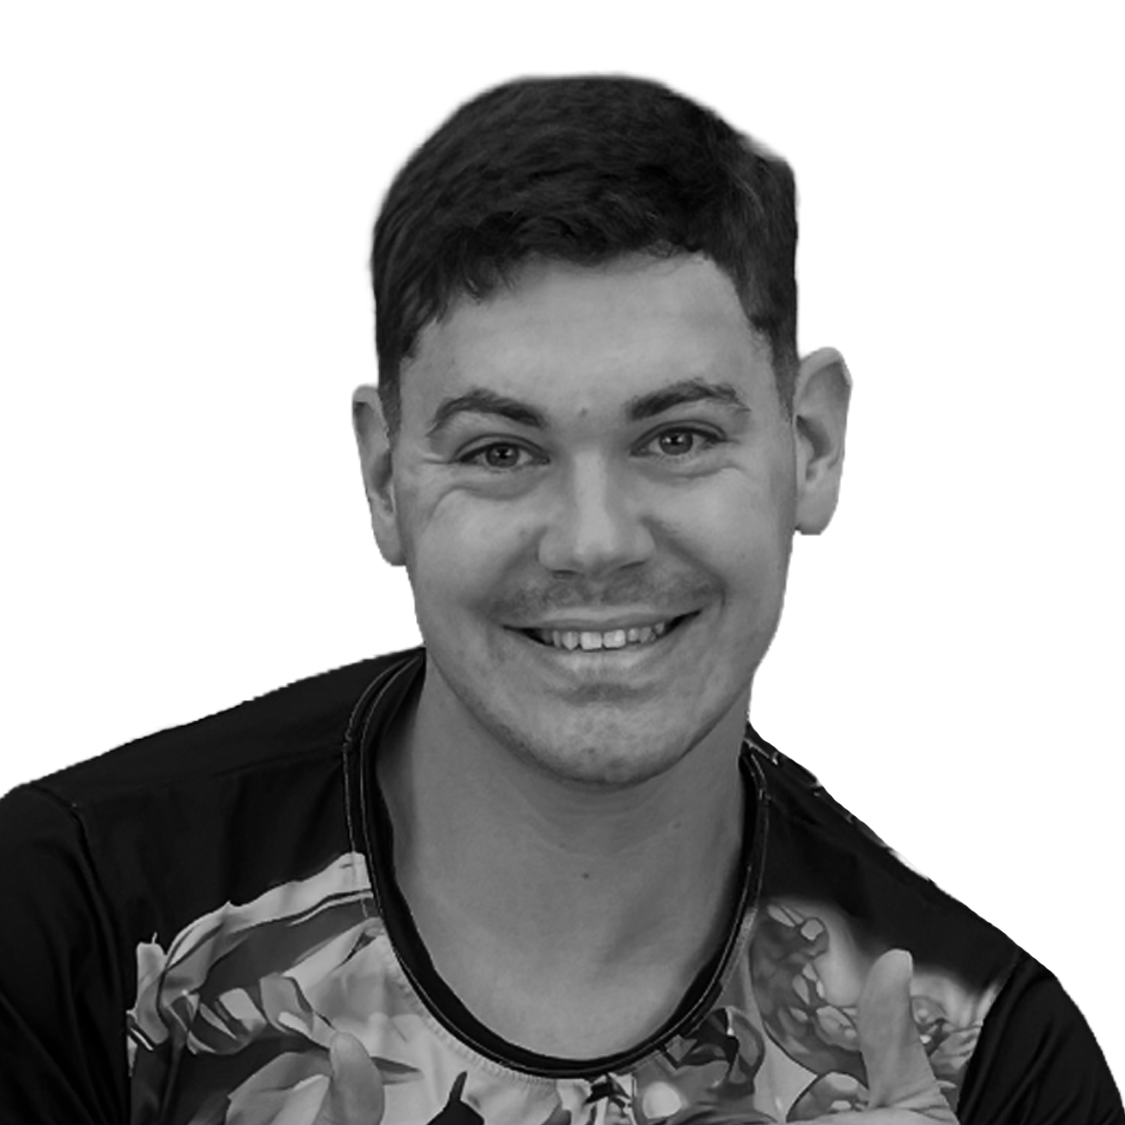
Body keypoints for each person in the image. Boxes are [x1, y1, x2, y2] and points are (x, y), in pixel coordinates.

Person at [0, 74, 1119, 1125]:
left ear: (810, 444)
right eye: (499, 451)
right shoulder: (75, 925)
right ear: (385, 478)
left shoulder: (988, 1066)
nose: (593, 542)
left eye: (677, 437)